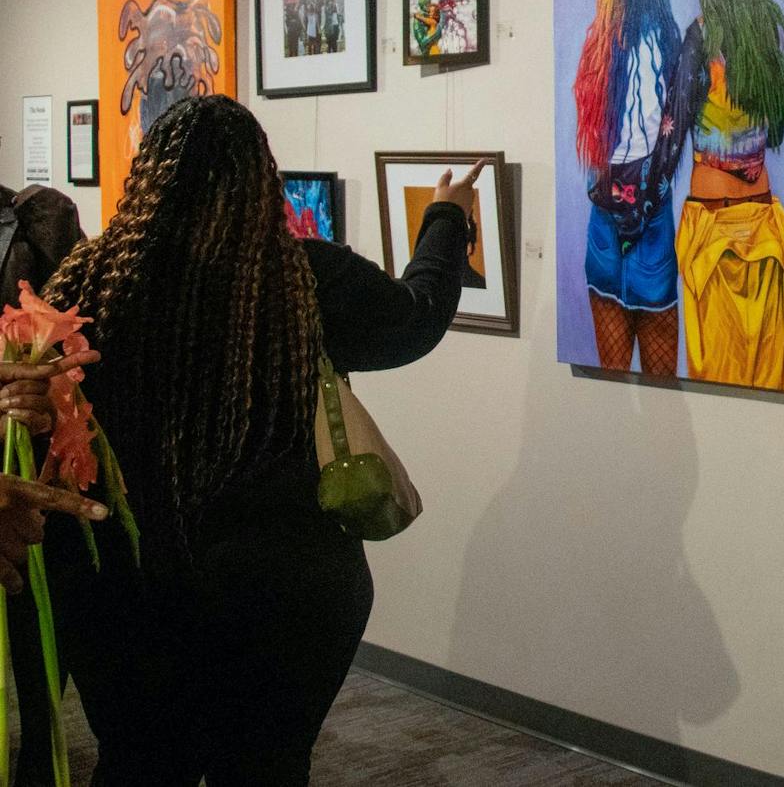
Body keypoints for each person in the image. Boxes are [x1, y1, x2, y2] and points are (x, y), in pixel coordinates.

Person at [42, 95, 479, 785]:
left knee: (138, 763)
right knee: (267, 768)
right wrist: (447, 216)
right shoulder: (299, 279)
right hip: (285, 593)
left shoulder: (92, 282)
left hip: (128, 590)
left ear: (146, 177)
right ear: (261, 181)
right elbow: (415, 318)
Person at [675, 0, 784, 390]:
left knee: (717, 386)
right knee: (771, 384)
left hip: (708, 230)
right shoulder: (782, 37)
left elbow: (673, 130)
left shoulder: (697, 41)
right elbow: (774, 131)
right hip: (766, 225)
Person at [572, 0, 689, 375]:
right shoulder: (668, 36)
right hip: (651, 216)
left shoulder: (595, 43)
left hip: (604, 216)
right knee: (660, 384)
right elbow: (669, 138)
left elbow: (599, 143)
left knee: (610, 382)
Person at [1, 181, 92, 786]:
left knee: (36, 620)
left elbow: (73, 331)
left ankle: (39, 751)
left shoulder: (37, 215)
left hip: (35, 460)